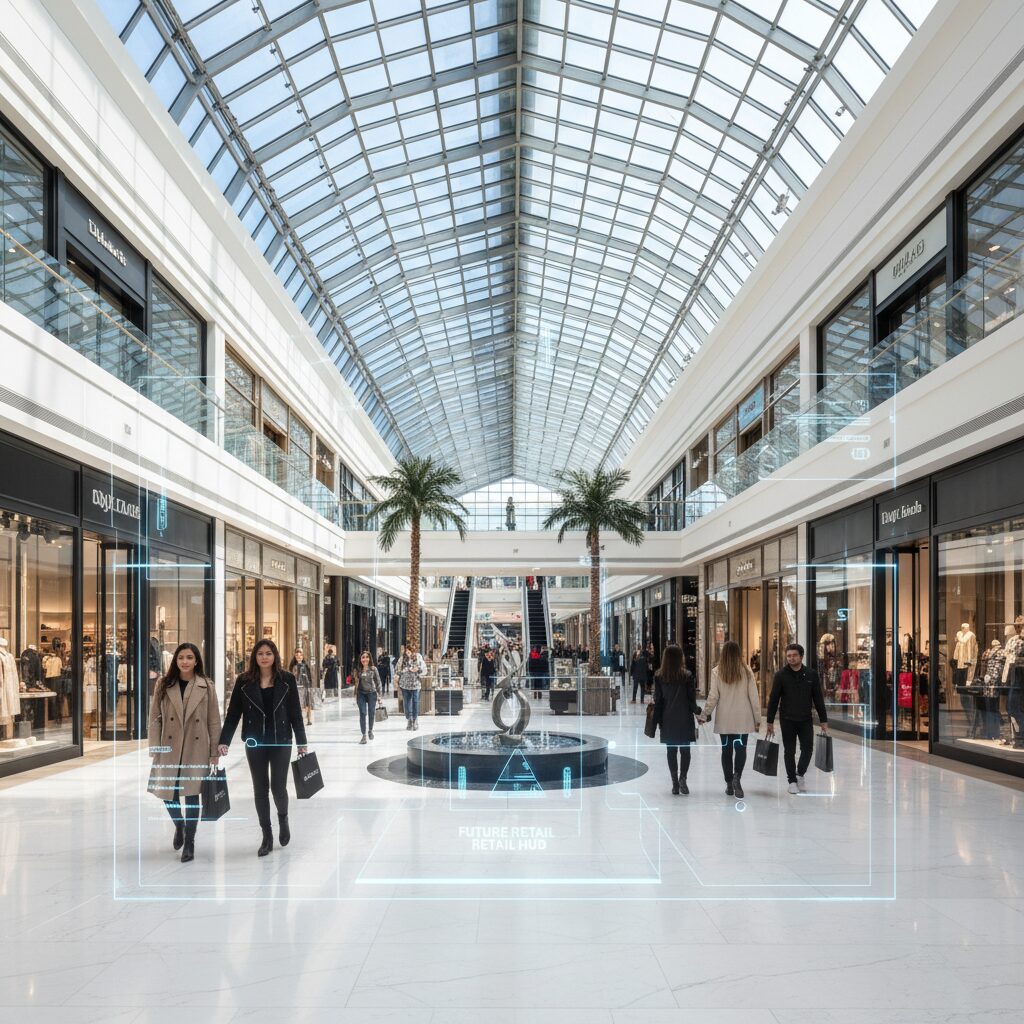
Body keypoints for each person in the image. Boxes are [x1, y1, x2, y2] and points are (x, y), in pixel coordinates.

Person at [219, 639, 308, 856]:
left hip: (281, 742)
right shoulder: (244, 681)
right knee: (260, 789)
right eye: (260, 654)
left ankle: (283, 818)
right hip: (255, 742)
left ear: (275, 656)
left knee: (278, 788)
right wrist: (224, 740)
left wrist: (302, 742)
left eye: (268, 653)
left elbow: (295, 713)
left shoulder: (287, 679)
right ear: (254, 657)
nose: (264, 657)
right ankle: (266, 835)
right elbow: (233, 715)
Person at [148, 642, 221, 863]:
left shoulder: (206, 686)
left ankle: (190, 841)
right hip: (169, 746)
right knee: (166, 792)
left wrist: (214, 751)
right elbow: (154, 718)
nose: (185, 661)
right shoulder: (164, 684)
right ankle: (179, 823)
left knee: (191, 795)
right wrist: (154, 746)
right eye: (181, 657)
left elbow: (214, 721)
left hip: (195, 747)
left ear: (196, 660)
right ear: (175, 660)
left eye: (189, 657)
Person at [699, 640, 761, 799]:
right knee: (741, 749)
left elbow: (713, 696)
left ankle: (728, 784)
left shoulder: (717, 672)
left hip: (724, 720)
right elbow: (754, 696)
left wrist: (704, 714)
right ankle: (737, 778)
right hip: (743, 719)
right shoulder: (747, 671)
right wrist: (757, 718)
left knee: (726, 751)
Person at [766, 642, 829, 795]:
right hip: (787, 719)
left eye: (794, 655)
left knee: (807, 749)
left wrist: (823, 720)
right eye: (789, 656)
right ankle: (792, 781)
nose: (791, 658)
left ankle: (800, 774)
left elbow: (818, 698)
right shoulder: (780, 675)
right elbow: (774, 699)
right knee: (789, 750)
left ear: (801, 656)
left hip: (806, 719)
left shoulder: (811, 674)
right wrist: (769, 721)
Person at [653, 644, 700, 795]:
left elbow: (658, 701)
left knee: (671, 751)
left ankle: (674, 783)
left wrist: (657, 721)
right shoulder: (687, 676)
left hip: (667, 719)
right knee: (685, 751)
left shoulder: (659, 676)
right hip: (684, 718)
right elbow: (691, 701)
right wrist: (701, 713)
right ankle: (683, 780)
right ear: (681, 658)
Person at [354, 650, 383, 743]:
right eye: (363, 657)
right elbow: (355, 683)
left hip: (372, 693)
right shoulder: (357, 670)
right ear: (360, 659)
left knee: (371, 713)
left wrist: (379, 696)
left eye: (367, 657)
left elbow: (378, 683)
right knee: (362, 713)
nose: (365, 659)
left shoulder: (373, 669)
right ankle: (364, 735)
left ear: (369, 658)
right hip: (361, 694)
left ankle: (370, 730)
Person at [397, 644, 426, 730]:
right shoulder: (402, 658)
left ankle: (415, 720)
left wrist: (418, 669)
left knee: (415, 702)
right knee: (407, 703)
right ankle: (409, 720)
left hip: (415, 684)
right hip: (404, 685)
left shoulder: (418, 657)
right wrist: (404, 670)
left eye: (410, 651)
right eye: (407, 651)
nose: (408, 653)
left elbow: (424, 669)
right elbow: (397, 670)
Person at [289, 648, 314, 726]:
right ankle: (299, 719)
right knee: (299, 704)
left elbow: (309, 676)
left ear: (302, 656)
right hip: (297, 687)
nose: (299, 657)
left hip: (306, 687)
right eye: (297, 655)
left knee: (307, 703)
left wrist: (309, 685)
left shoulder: (306, 665)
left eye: (300, 655)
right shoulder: (293, 666)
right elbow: (292, 676)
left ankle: (309, 719)